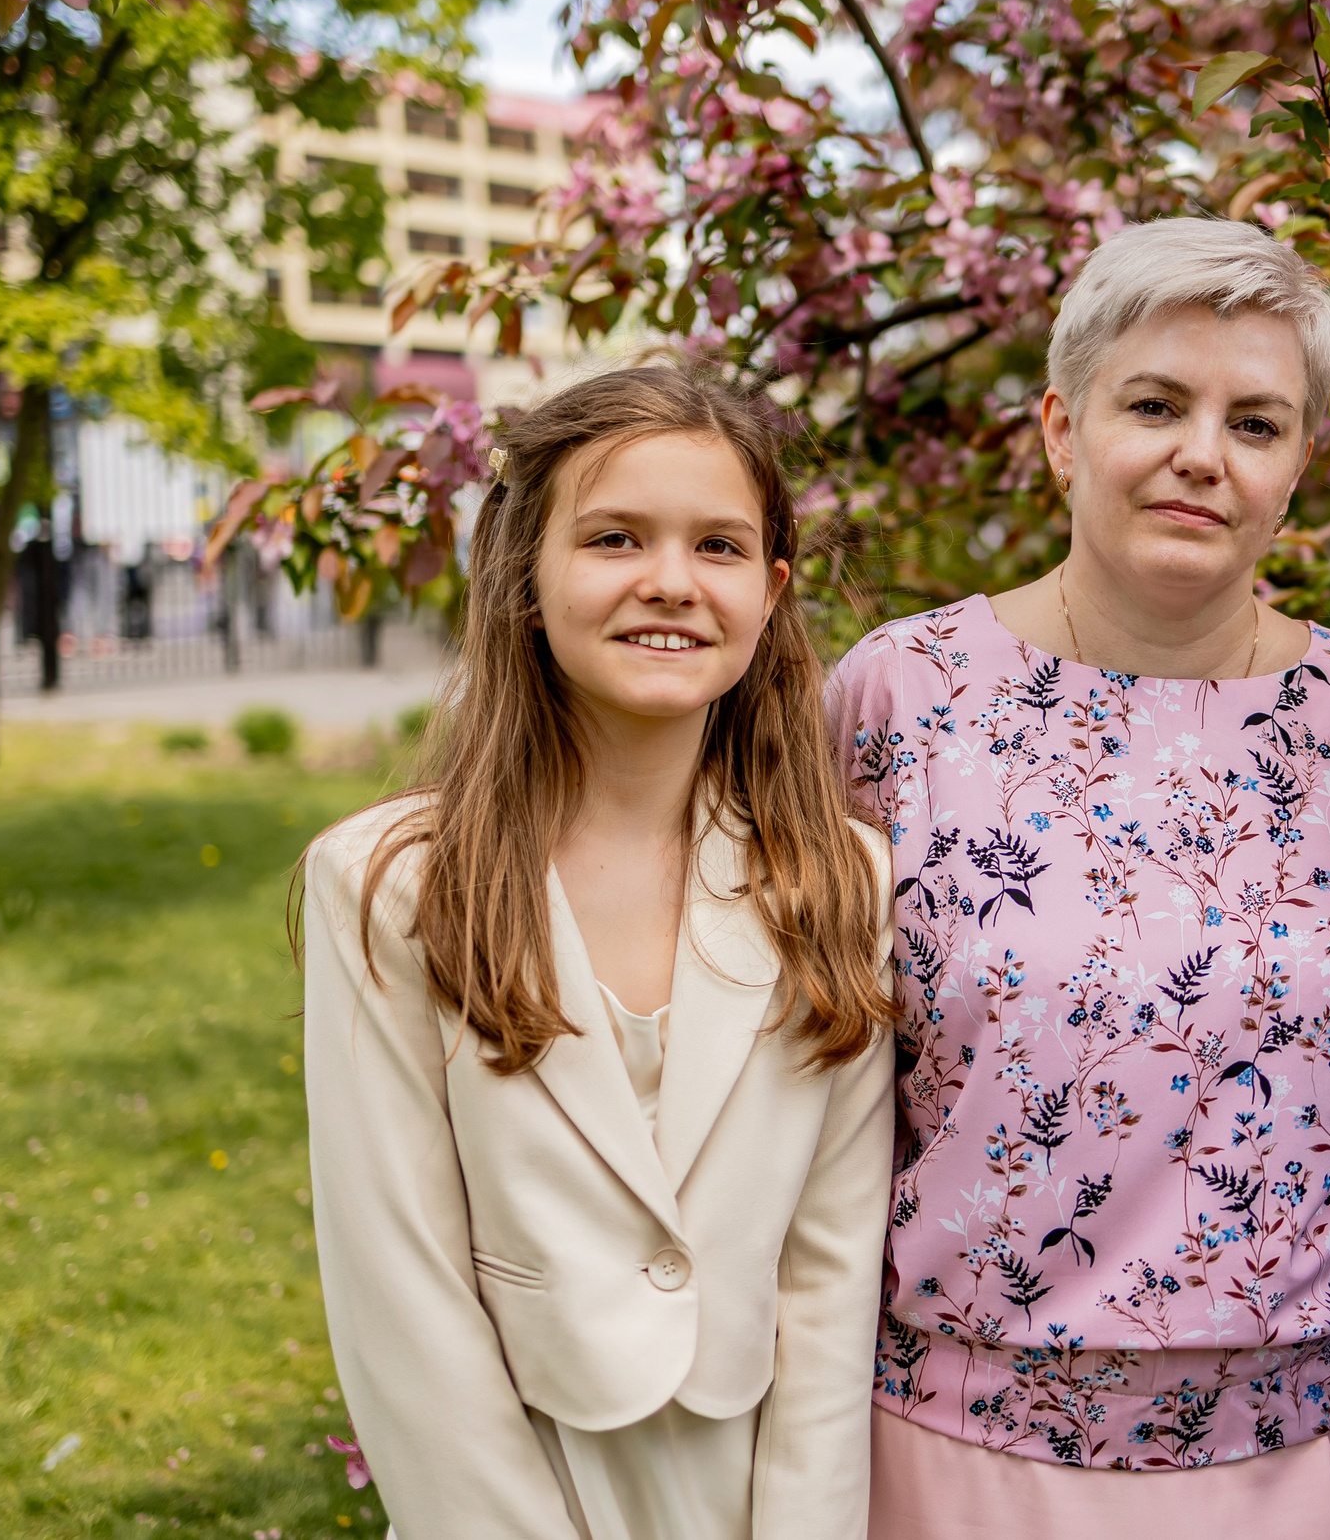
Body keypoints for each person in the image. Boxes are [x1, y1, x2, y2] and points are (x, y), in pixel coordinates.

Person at [827, 218, 1330, 1537]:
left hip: (1308, 1455)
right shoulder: (900, 693)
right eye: (1154, 403)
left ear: (1298, 463)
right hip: (965, 1456)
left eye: (1255, 422)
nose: (1201, 453)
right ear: (1061, 427)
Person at [299, 366, 897, 1540]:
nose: (669, 583)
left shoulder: (841, 881)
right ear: (524, 577)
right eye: (615, 538)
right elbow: (402, 1293)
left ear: (771, 592)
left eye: (718, 547)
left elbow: (829, 1290)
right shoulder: (395, 886)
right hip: (521, 1485)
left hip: (757, 1493)